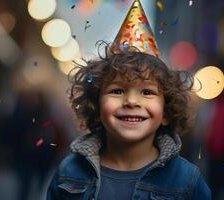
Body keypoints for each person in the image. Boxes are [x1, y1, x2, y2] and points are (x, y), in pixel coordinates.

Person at [47, 0, 211, 199]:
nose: (131, 101)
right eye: (117, 91)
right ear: (96, 106)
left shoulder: (187, 181)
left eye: (147, 92)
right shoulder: (69, 172)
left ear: (166, 112)